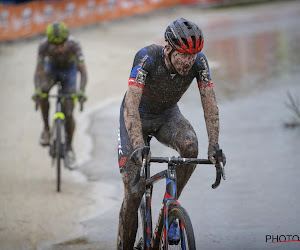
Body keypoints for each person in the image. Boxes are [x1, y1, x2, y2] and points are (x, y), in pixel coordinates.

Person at [117, 18, 226, 248]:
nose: (189, 62)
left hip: (167, 116)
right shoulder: (146, 58)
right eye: (183, 55)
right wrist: (137, 144)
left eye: (193, 56)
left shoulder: (200, 63)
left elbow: (210, 104)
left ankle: (171, 207)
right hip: (136, 116)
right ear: (168, 49)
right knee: (134, 192)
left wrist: (214, 145)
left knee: (190, 146)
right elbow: (131, 105)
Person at [32, 21, 87, 169]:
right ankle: (46, 129)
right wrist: (37, 90)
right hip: (52, 70)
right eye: (55, 46)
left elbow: (82, 71)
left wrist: (81, 91)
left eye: (61, 44)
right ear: (49, 43)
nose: (59, 49)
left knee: (68, 113)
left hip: (69, 73)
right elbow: (39, 70)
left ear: (66, 40)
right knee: (44, 91)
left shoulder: (74, 44)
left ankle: (68, 147)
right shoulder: (43, 46)